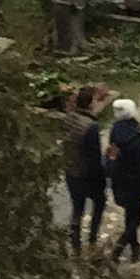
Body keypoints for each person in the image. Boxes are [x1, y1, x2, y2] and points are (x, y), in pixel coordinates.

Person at [106, 95, 140, 262]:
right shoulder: (136, 135)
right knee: (136, 219)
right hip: (134, 182)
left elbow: (111, 156)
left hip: (120, 180)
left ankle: (135, 248)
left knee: (129, 215)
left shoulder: (115, 131)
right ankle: (117, 251)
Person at [60, 88, 107, 253]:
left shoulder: (68, 119)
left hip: (71, 171)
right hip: (86, 174)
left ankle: (75, 243)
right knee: (99, 202)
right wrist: (101, 178)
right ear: (90, 104)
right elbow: (94, 158)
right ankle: (92, 239)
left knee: (77, 208)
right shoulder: (90, 127)